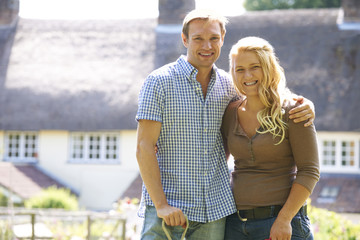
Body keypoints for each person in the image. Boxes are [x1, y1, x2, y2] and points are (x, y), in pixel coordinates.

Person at [136, 9, 315, 240]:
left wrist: (306, 104)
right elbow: (143, 146)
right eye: (198, 38)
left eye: (213, 38)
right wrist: (161, 205)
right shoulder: (158, 82)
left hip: (215, 214)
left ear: (222, 38)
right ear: (185, 40)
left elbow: (268, 95)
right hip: (170, 211)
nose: (206, 46)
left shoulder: (229, 87)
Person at [222, 36, 320, 240]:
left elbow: (309, 171)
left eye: (254, 67)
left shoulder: (294, 111)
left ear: (268, 68)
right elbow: (213, 156)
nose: (247, 75)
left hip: (281, 224)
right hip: (235, 225)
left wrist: (284, 220)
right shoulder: (229, 112)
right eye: (239, 69)